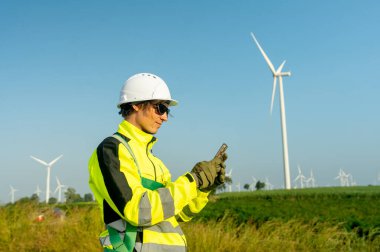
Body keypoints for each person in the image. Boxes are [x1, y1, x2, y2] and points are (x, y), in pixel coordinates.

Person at [88, 73, 227, 252]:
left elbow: (176, 214)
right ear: (136, 104)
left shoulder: (155, 162)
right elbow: (138, 210)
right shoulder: (112, 150)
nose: (165, 117)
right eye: (160, 108)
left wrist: (203, 189)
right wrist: (193, 180)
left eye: (167, 110)